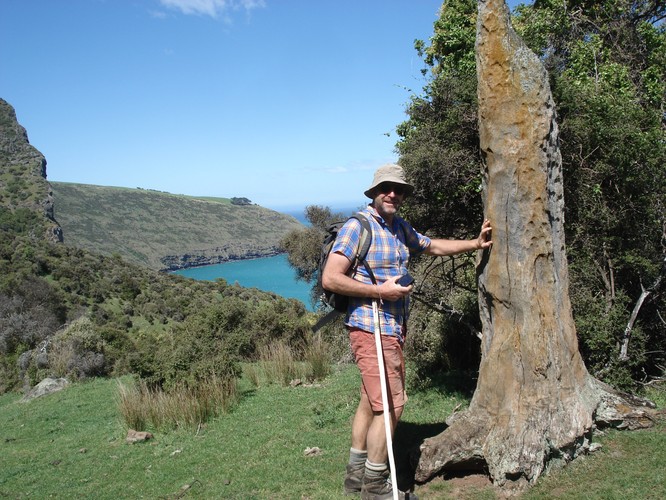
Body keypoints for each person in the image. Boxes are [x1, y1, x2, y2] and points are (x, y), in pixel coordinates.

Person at [322, 163, 492, 499]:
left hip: (391, 329)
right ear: (374, 192)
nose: (393, 194)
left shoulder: (398, 227)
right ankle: (375, 486)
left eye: (399, 189)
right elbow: (331, 277)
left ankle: (355, 478)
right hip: (371, 328)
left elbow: (431, 246)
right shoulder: (359, 226)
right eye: (386, 188)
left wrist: (475, 243)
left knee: (370, 403)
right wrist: (379, 292)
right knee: (391, 405)